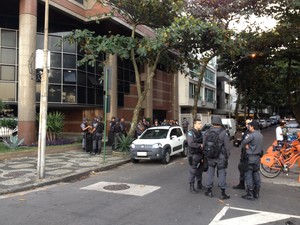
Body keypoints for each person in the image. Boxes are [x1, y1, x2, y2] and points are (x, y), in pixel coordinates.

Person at [204, 116, 230, 200]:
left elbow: (204, 144)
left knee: (210, 173)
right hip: (220, 157)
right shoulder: (224, 133)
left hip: (210, 156)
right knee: (222, 173)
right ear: (220, 123)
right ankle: (222, 193)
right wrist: (227, 156)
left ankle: (209, 191)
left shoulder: (207, 132)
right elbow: (227, 147)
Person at [240, 120, 263, 200]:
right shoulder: (260, 135)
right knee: (256, 174)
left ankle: (250, 193)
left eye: (250, 126)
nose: (249, 127)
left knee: (248, 174)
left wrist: (247, 145)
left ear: (252, 127)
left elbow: (243, 142)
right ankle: (256, 192)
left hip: (250, 157)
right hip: (257, 158)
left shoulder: (251, 135)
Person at [232, 118, 252, 190]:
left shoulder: (253, 132)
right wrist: (239, 141)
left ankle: (250, 188)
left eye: (249, 124)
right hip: (244, 153)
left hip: (249, 155)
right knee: (241, 168)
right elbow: (243, 140)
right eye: (246, 124)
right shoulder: (246, 131)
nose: (247, 125)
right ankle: (241, 184)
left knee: (248, 171)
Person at [187, 118, 204, 193]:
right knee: (193, 170)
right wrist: (200, 145)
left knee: (200, 170)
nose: (200, 125)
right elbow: (191, 143)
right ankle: (191, 186)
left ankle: (199, 184)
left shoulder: (200, 132)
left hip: (200, 154)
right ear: (195, 124)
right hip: (193, 154)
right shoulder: (191, 133)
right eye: (199, 123)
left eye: (200, 123)